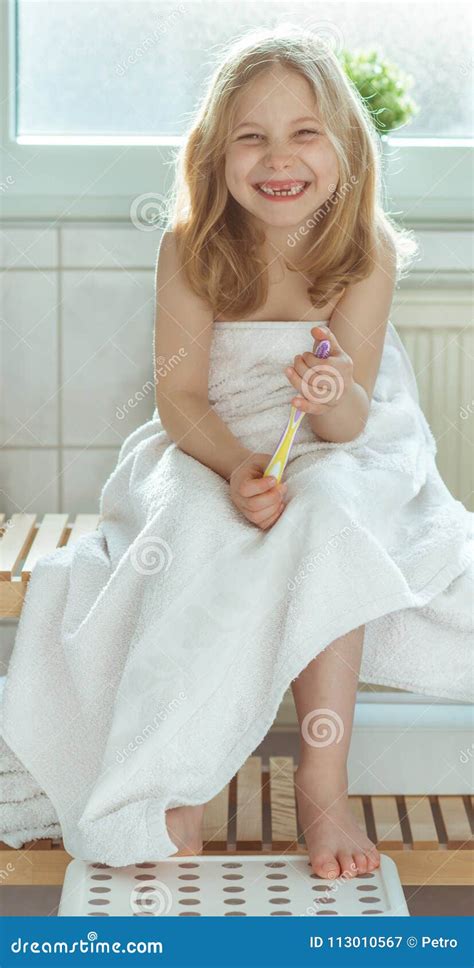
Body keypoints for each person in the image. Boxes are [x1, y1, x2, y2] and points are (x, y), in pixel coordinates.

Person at [2, 26, 471, 875]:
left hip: (349, 443)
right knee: (192, 529)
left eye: (303, 132)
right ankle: (173, 781)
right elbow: (180, 400)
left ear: (346, 150)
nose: (276, 157)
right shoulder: (190, 249)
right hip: (212, 438)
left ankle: (322, 791)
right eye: (250, 136)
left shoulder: (364, 255)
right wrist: (237, 470)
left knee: (328, 518)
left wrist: (329, 396)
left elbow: (353, 424)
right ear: (215, 156)